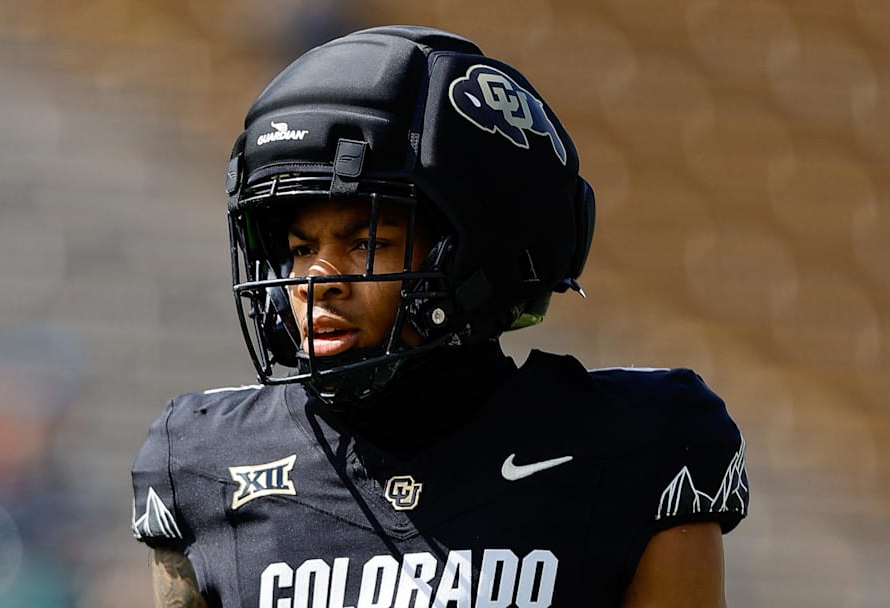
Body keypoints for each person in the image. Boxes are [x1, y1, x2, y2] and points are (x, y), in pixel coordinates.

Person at [131, 24, 749, 608]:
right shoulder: (203, 460)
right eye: (300, 249)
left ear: (477, 249)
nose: (319, 280)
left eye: (366, 243)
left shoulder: (638, 449)